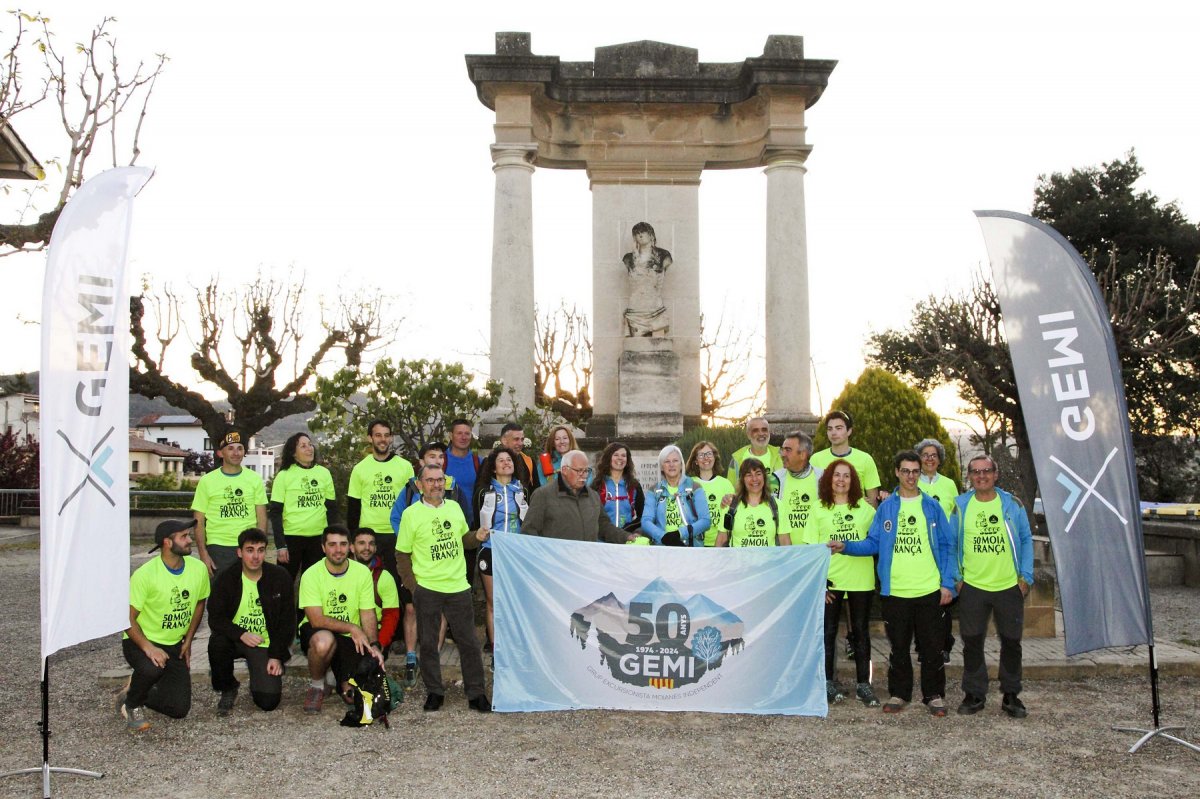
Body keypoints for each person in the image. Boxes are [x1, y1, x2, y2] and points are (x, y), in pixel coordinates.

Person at [829, 451, 957, 716]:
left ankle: (934, 695)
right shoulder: (886, 508)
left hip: (928, 589)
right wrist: (846, 546)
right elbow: (873, 542)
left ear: (919, 473)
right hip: (895, 591)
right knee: (898, 647)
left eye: (915, 471)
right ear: (897, 472)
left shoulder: (931, 506)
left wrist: (947, 583)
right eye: (905, 471)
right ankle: (899, 693)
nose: (911, 476)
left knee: (932, 648)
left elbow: (947, 545)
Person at [397, 464, 491, 713]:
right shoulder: (410, 514)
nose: (436, 484)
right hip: (427, 588)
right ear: (420, 485)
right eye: (430, 480)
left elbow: (464, 540)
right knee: (429, 644)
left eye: (440, 480)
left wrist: (477, 536)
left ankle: (476, 693)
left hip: (458, 586)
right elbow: (402, 554)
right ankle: (435, 692)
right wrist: (414, 587)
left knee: (469, 642)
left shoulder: (454, 508)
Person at [951, 455, 1034, 719]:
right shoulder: (960, 506)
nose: (981, 475)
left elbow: (1026, 539)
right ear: (969, 476)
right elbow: (952, 544)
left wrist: (1026, 577)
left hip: (1008, 585)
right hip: (973, 586)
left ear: (995, 474)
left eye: (987, 470)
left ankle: (1011, 694)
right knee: (972, 641)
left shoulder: (1012, 504)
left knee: (1011, 641)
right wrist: (957, 578)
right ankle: (974, 693)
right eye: (975, 471)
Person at [118, 519, 210, 732]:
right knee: (151, 668)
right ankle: (132, 704)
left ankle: (135, 689)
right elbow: (126, 619)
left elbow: (200, 602)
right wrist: (149, 648)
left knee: (179, 709)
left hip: (174, 644)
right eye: (184, 536)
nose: (190, 540)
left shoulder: (198, 569)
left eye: (188, 535)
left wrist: (188, 640)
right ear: (167, 543)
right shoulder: (145, 575)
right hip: (141, 641)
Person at [806, 460, 878, 707]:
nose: (841, 480)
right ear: (828, 479)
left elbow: (875, 542)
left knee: (861, 633)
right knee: (827, 633)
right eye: (837, 475)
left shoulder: (865, 509)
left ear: (853, 481)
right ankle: (827, 683)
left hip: (860, 580)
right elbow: (811, 550)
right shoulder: (817, 508)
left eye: (846, 476)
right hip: (831, 580)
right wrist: (819, 583)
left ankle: (863, 685)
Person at [297, 524, 384, 715]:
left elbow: (367, 613)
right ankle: (317, 685)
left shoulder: (361, 572)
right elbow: (316, 619)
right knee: (324, 642)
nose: (338, 550)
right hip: (319, 631)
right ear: (323, 547)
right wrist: (353, 628)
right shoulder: (311, 574)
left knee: (353, 696)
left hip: (349, 639)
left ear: (350, 547)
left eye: (343, 544)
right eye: (332, 544)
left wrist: (374, 645)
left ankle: (334, 676)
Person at [207, 527, 293, 715]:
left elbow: (287, 622)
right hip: (236, 638)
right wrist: (241, 634)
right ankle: (228, 687)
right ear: (239, 552)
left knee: (268, 702)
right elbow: (215, 617)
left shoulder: (280, 577)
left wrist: (276, 655)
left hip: (264, 642)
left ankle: (259, 676)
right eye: (250, 550)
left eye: (261, 550)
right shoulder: (226, 578)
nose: (255, 556)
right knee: (217, 643)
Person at [268, 432, 337, 626]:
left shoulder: (324, 473)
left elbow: (332, 510)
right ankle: (281, 626)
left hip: (318, 540)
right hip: (291, 539)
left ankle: (304, 625)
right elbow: (275, 513)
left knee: (312, 586)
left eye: (310, 444)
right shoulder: (284, 476)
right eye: (303, 446)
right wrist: (281, 545)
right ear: (293, 452)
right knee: (283, 585)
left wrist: (333, 540)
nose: (309, 448)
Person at [473, 447, 531, 653]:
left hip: (515, 553)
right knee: (493, 602)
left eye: (509, 460)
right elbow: (477, 524)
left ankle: (515, 646)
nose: (506, 463)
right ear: (493, 467)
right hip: (491, 550)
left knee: (515, 601)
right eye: (501, 460)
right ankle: (496, 650)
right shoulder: (484, 492)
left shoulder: (522, 491)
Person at [346, 419, 415, 582]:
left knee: (399, 582)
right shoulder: (359, 469)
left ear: (391, 438)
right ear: (370, 438)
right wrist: (353, 540)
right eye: (378, 435)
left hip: (397, 533)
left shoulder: (405, 467)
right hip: (369, 536)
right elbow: (353, 508)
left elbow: (413, 504)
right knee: (367, 583)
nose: (382, 439)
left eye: (386, 435)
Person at [192, 431, 268, 574]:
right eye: (231, 448)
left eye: (240, 448)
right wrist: (203, 553)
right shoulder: (207, 481)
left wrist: (260, 547)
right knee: (221, 587)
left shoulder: (255, 479)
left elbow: (262, 517)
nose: (236, 453)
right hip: (218, 547)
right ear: (220, 453)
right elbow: (198, 521)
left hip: (248, 545)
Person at [524, 450, 639, 544]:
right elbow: (529, 532)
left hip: (586, 560)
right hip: (556, 562)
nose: (584, 475)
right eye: (579, 471)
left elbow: (604, 526)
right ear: (564, 470)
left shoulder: (593, 496)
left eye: (586, 470)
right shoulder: (543, 495)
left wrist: (626, 537)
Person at [915, 437, 961, 662]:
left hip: (944, 550)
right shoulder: (913, 483)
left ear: (940, 459)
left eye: (933, 455)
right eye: (925, 455)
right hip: (921, 550)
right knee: (921, 602)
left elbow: (956, 514)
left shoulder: (949, 484)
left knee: (943, 600)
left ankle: (944, 645)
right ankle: (922, 646)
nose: (929, 459)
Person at [642, 445, 711, 547]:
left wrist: (680, 534)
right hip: (663, 547)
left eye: (675, 461)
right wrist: (663, 537)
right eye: (667, 461)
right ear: (662, 466)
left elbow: (705, 521)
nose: (671, 465)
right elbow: (646, 521)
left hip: (690, 547)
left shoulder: (694, 487)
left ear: (681, 464)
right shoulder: (654, 491)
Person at [810, 411, 882, 508]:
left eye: (838, 428)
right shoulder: (816, 459)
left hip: (856, 514)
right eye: (830, 429)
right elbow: (812, 494)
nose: (833, 433)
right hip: (825, 514)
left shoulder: (865, 459)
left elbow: (873, 502)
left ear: (849, 431)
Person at [351, 527, 401, 661]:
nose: (367, 548)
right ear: (352, 547)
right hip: (347, 634)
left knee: (368, 667)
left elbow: (391, 615)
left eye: (371, 543)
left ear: (375, 548)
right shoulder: (341, 573)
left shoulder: (384, 577)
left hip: (374, 635)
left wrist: (379, 645)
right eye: (361, 543)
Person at [717, 458, 787, 547]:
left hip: (769, 557)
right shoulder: (730, 505)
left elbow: (785, 542)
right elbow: (722, 539)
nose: (754, 479)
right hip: (737, 556)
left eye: (758, 474)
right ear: (742, 479)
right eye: (749, 475)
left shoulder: (777, 506)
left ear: (764, 477)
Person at [622, 221, 673, 337]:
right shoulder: (629, 258)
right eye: (637, 233)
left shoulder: (663, 256)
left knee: (659, 333)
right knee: (636, 341)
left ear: (651, 235)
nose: (640, 235)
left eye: (643, 232)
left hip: (655, 307)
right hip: (635, 309)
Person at [774, 431, 822, 544]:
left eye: (788, 450)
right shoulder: (775, 479)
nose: (782, 454)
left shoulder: (822, 477)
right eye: (782, 449)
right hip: (785, 551)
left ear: (803, 455)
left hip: (816, 551)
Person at [686, 441, 735, 547]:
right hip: (695, 543)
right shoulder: (689, 484)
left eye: (709, 454)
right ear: (696, 461)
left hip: (721, 542)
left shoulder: (726, 484)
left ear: (715, 457)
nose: (706, 458)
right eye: (701, 455)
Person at [592, 442, 645, 532]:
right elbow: (591, 514)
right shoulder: (597, 484)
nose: (620, 458)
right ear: (608, 458)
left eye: (623, 455)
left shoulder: (634, 485)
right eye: (616, 455)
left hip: (626, 537)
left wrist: (628, 529)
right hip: (601, 537)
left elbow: (643, 516)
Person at [726, 416, 782, 483]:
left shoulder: (781, 456)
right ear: (748, 435)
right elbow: (731, 486)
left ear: (769, 432)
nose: (761, 433)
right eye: (755, 430)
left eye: (764, 430)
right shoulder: (736, 460)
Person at [499, 421, 539, 489]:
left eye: (522, 439)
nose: (520, 443)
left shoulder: (529, 462)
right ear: (504, 441)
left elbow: (535, 491)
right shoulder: (491, 462)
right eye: (516, 439)